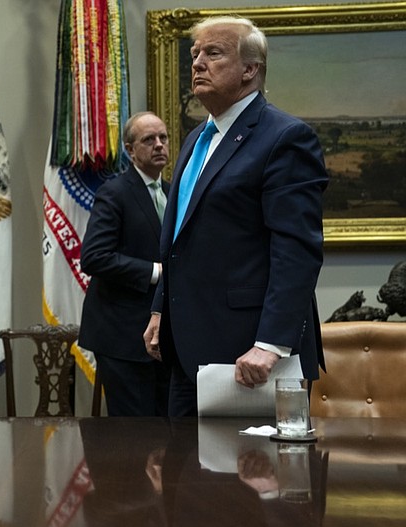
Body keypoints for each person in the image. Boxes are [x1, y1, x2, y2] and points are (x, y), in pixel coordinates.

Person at [143, 16, 328, 416]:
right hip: (186, 349)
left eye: (213, 53)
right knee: (184, 472)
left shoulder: (285, 137)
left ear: (250, 69)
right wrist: (161, 309)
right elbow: (179, 237)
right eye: (194, 54)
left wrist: (271, 344)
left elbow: (296, 250)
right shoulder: (196, 138)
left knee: (251, 475)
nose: (197, 63)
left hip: (251, 355)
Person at [79, 112, 172, 416]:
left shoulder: (175, 192)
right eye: (149, 140)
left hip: (167, 334)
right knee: (134, 435)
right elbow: (94, 257)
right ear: (131, 150)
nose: (159, 145)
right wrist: (155, 272)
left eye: (163, 138)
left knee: (171, 433)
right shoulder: (115, 192)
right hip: (122, 335)